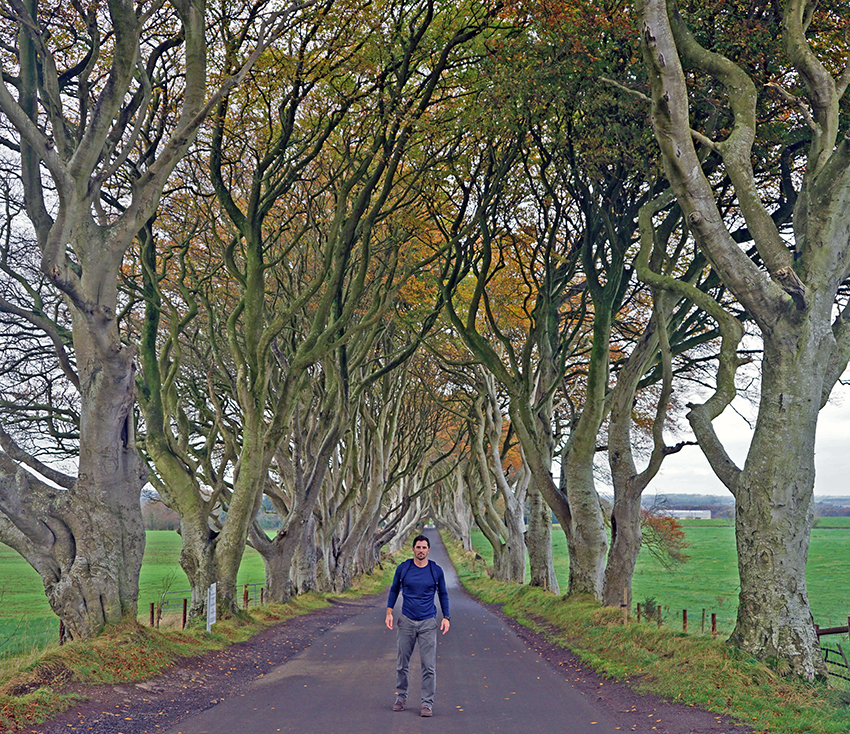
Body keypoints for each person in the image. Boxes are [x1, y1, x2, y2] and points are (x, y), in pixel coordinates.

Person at [385, 533, 450, 717]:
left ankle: (427, 704)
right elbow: (394, 589)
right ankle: (401, 697)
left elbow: (443, 594)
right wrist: (389, 612)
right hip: (406, 620)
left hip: (428, 622)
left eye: (424, 547)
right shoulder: (403, 568)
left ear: (428, 550)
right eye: (418, 547)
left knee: (428, 666)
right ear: (413, 549)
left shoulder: (435, 570)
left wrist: (447, 617)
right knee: (402, 664)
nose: (421, 550)